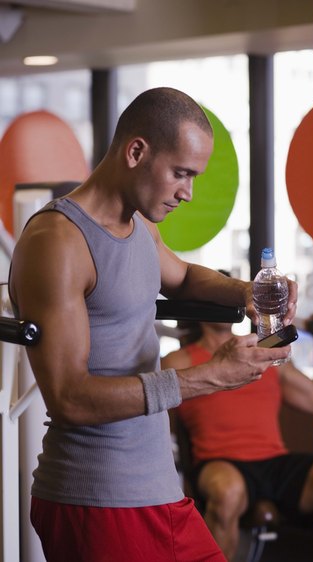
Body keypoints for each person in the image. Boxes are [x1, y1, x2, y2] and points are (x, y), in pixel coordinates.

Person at [8, 87, 298, 562]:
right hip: (95, 496)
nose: (188, 192)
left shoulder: (139, 225)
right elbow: (69, 397)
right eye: (181, 173)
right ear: (136, 151)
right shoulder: (57, 241)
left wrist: (248, 292)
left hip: (158, 488)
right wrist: (208, 376)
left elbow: (181, 278)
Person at [162, 302, 313, 562]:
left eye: (227, 298)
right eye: (215, 299)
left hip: (274, 461)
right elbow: (154, 413)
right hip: (219, 462)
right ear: (201, 311)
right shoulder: (180, 360)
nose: (225, 306)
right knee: (228, 492)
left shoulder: (264, 353)